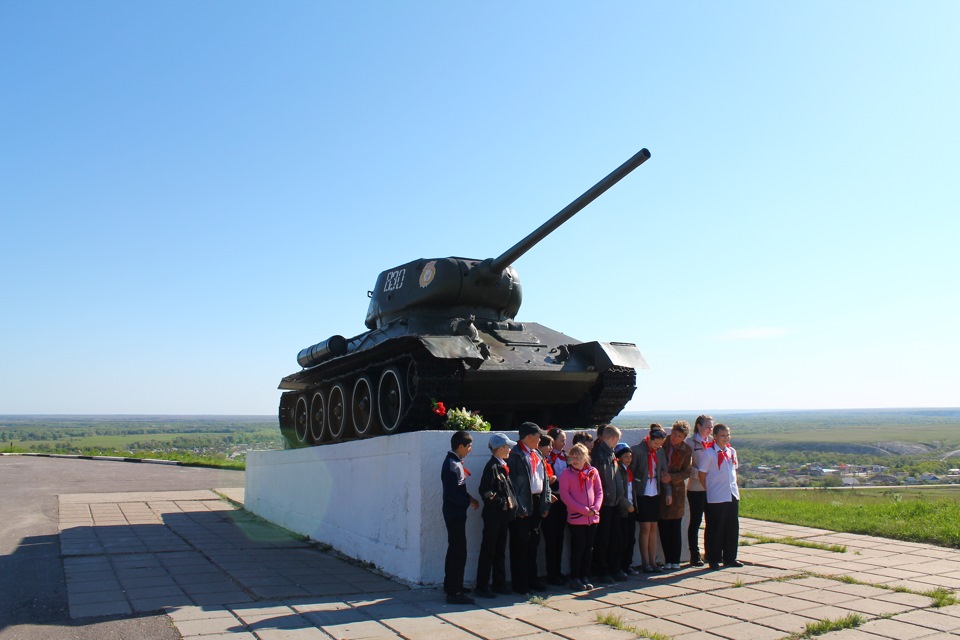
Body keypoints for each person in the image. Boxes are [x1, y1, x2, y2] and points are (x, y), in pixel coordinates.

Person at [508, 421, 551, 595]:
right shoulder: (515, 455)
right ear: (530, 436)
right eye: (538, 436)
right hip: (522, 503)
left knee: (533, 544)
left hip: (536, 500)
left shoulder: (537, 454)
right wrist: (518, 506)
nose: (540, 439)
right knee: (520, 545)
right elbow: (511, 484)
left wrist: (545, 501)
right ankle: (520, 583)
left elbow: (544, 479)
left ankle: (532, 579)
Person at [475, 432, 518, 598]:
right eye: (507, 447)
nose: (509, 450)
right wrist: (502, 503)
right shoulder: (492, 467)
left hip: (502, 517)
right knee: (489, 550)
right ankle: (482, 586)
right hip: (494, 516)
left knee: (499, 550)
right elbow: (486, 491)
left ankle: (498, 583)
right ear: (500, 448)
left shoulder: (500, 465)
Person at [441, 430, 480, 604]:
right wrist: (467, 502)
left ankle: (451, 584)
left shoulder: (455, 462)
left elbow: (459, 489)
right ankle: (454, 592)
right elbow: (452, 494)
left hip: (455, 511)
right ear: (460, 446)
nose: (470, 450)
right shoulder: (452, 464)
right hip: (454, 513)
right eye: (469, 446)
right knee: (458, 551)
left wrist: (469, 498)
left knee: (455, 549)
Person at [698, 423, 742, 569]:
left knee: (731, 527)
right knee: (716, 528)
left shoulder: (732, 451)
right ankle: (714, 558)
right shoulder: (709, 453)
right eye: (722, 435)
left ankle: (730, 558)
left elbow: (733, 472)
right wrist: (710, 489)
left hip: (731, 494)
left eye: (727, 435)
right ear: (715, 436)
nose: (725, 438)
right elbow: (702, 474)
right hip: (716, 496)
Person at [559, 443, 602, 591]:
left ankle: (585, 575)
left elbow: (599, 491)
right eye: (573, 457)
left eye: (578, 457)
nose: (575, 460)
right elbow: (565, 496)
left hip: (592, 517)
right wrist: (584, 510)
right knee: (578, 548)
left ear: (585, 457)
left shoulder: (593, 472)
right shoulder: (566, 474)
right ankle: (575, 577)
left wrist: (595, 508)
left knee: (588, 548)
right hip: (577, 518)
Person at [590, 424, 629, 583]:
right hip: (605, 503)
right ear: (612, 438)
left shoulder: (611, 454)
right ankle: (602, 570)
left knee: (616, 538)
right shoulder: (600, 455)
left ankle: (615, 567)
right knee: (603, 539)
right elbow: (599, 479)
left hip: (614, 503)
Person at [631, 427, 670, 572]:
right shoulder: (638, 450)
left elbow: (663, 472)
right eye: (655, 444)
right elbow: (632, 472)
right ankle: (645, 561)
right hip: (642, 492)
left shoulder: (660, 452)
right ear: (650, 439)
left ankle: (653, 562)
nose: (657, 447)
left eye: (660, 445)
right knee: (645, 527)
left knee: (654, 527)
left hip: (655, 492)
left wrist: (668, 492)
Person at [658, 421, 693, 569]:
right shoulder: (662, 444)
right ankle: (667, 560)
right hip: (660, 490)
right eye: (674, 434)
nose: (675, 438)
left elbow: (687, 471)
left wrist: (672, 477)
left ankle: (675, 560)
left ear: (684, 437)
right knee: (663, 525)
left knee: (675, 526)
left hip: (677, 491)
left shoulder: (686, 450)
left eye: (679, 436)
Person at [685, 414, 714, 567]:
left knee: (711, 521)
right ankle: (694, 554)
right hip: (696, 487)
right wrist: (701, 475)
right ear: (698, 426)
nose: (710, 430)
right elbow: (687, 467)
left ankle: (710, 553)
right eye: (707, 427)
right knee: (695, 521)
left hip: (711, 488)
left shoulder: (712, 443)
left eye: (711, 427)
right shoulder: (690, 443)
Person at [542, 427, 568, 585]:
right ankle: (551, 573)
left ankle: (557, 571)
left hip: (562, 499)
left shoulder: (564, 456)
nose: (564, 443)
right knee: (551, 538)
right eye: (561, 440)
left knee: (559, 537)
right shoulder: (547, 458)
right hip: (551, 498)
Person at [614, 443, 637, 575]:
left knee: (630, 539)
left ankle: (627, 564)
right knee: (622, 539)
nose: (628, 459)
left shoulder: (629, 470)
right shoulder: (618, 470)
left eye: (630, 456)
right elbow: (620, 491)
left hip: (631, 508)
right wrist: (627, 505)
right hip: (623, 509)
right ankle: (621, 565)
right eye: (625, 456)